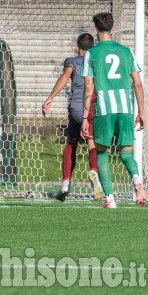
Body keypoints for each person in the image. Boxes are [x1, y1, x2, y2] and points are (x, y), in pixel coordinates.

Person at [80, 12, 146, 208]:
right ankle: (135, 177)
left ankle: (110, 199)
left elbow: (89, 88)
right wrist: (141, 112)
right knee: (126, 153)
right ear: (112, 29)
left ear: (95, 30)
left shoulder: (91, 53)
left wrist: (85, 118)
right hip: (125, 109)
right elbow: (138, 84)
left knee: (101, 154)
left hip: (104, 110)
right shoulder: (127, 52)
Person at [42, 33, 103, 201]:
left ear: (77, 47)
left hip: (76, 109)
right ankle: (94, 177)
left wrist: (50, 98)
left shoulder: (72, 61)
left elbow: (64, 77)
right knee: (92, 142)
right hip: (93, 107)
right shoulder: (97, 61)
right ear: (94, 48)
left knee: (71, 142)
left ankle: (66, 183)